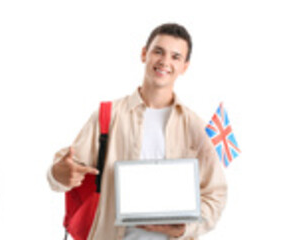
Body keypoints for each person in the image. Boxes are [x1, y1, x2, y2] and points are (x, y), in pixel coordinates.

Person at [46, 23, 227, 240]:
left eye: (175, 57)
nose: (164, 62)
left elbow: (215, 195)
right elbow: (60, 173)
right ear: (144, 54)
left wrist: (184, 229)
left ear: (184, 67)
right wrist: (59, 173)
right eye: (158, 51)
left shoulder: (195, 127)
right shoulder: (108, 115)